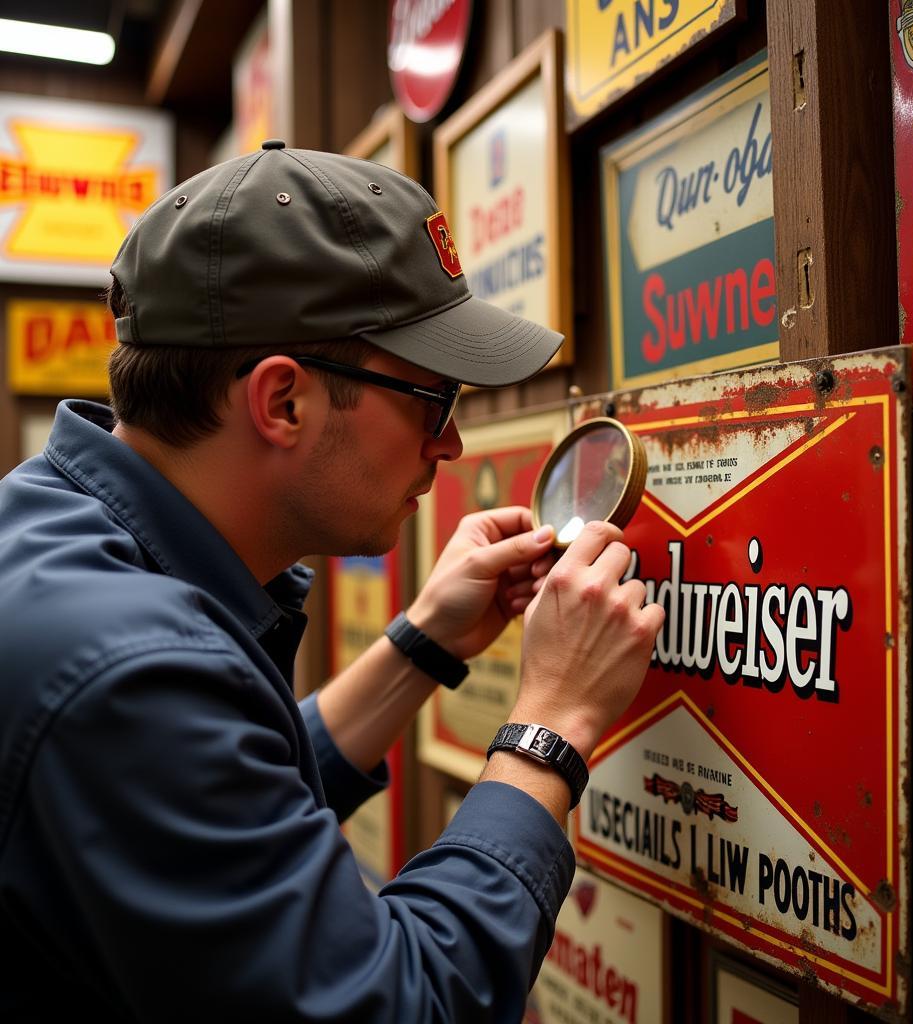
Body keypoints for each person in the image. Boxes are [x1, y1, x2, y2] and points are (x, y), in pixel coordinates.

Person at [0, 141, 663, 1021]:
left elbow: (219, 806)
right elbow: (397, 1006)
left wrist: (423, 644)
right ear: (282, 402)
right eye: (434, 398)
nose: (452, 444)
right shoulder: (124, 669)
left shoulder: (61, 536)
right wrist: (552, 722)